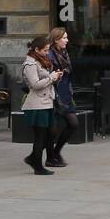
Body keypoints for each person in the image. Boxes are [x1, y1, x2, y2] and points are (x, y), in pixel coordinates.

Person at [21, 36, 62, 175]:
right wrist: (52, 78)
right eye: (45, 50)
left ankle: (33, 158)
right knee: (40, 136)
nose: (47, 52)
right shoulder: (30, 64)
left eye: (48, 50)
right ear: (36, 49)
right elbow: (35, 84)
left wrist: (55, 77)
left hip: (47, 102)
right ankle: (37, 165)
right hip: (37, 104)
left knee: (51, 133)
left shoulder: (41, 60)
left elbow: (46, 80)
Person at [46, 27, 77, 168]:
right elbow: (45, 75)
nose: (67, 40)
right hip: (54, 94)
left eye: (66, 37)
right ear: (56, 40)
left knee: (73, 123)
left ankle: (56, 152)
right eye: (64, 38)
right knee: (53, 129)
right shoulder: (49, 54)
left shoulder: (64, 53)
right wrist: (55, 75)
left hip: (65, 93)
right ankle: (50, 157)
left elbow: (68, 73)